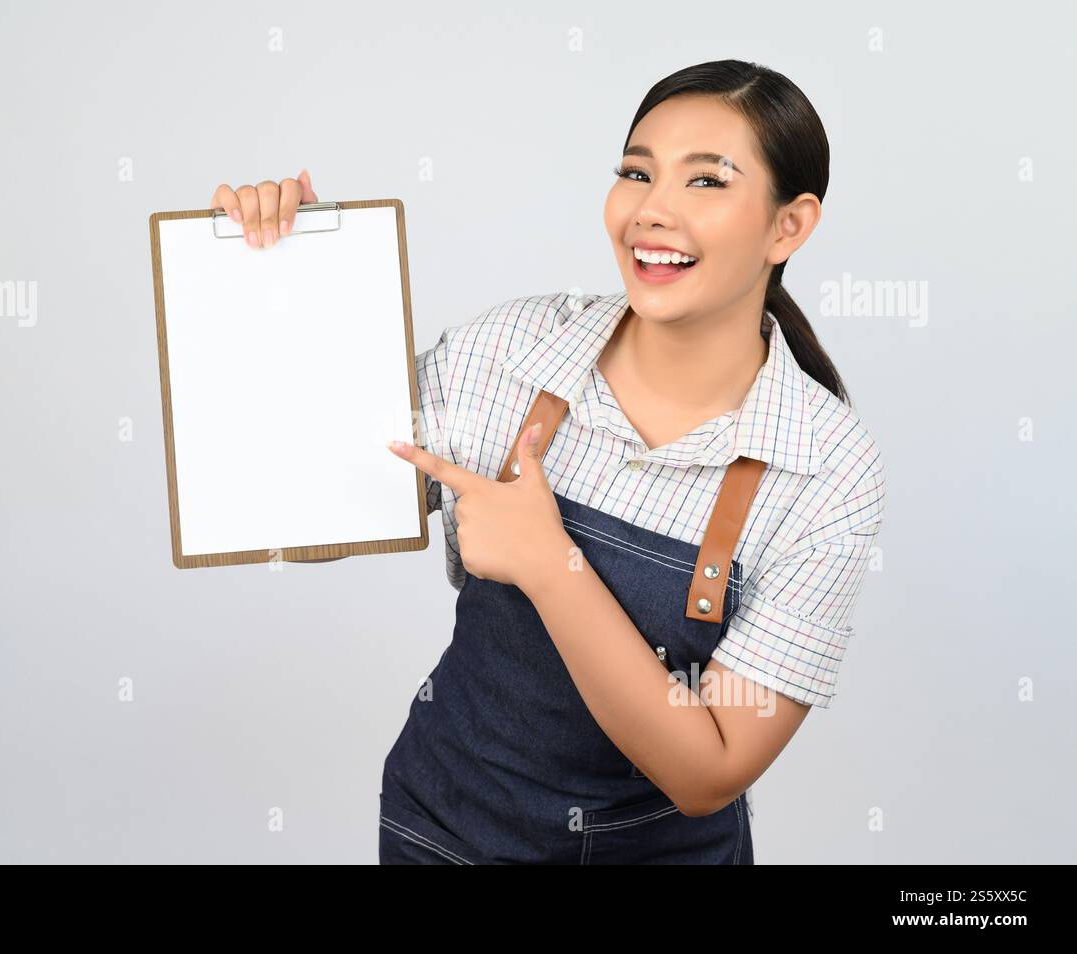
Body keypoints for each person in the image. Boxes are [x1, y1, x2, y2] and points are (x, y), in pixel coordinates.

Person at [211, 58, 886, 865]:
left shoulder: (826, 472)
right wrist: (300, 283)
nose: (651, 211)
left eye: (706, 182)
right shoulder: (512, 352)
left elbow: (708, 772)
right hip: (443, 832)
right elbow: (300, 513)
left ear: (790, 225)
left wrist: (549, 562)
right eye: (637, 172)